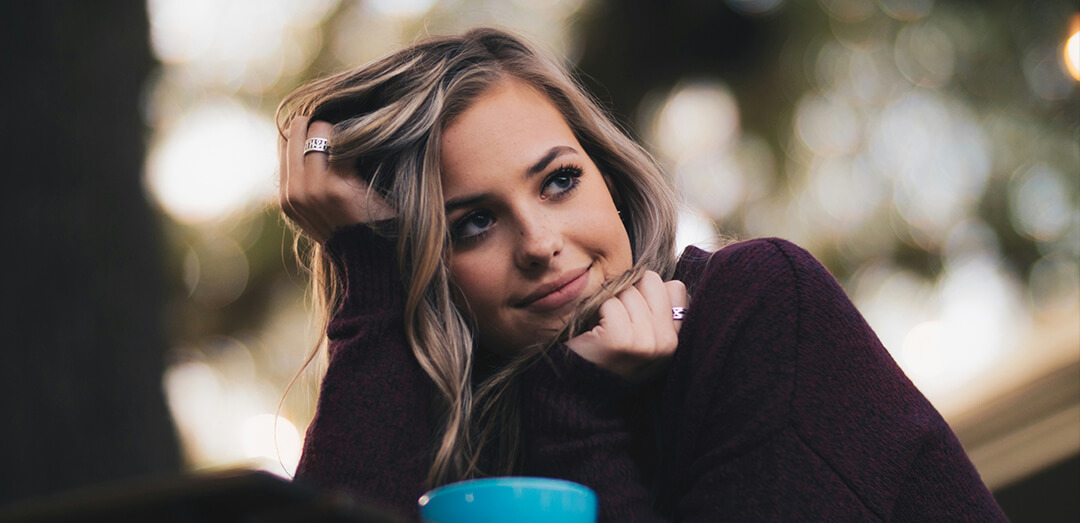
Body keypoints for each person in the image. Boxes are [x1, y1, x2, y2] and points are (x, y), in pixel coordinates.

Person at [276, 27, 1006, 521]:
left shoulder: (756, 310)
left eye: (559, 181)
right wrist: (366, 281)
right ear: (426, 270)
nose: (539, 241)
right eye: (474, 223)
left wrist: (579, 411)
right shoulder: (462, 441)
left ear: (610, 178)